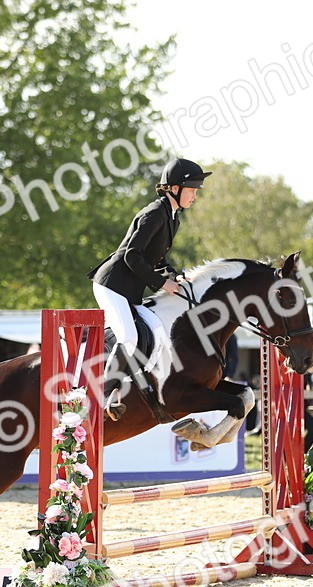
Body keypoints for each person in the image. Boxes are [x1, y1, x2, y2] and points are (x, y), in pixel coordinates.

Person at [88, 156, 210, 420]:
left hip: (130, 290)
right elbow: (131, 255)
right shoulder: (155, 213)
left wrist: (175, 277)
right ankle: (106, 393)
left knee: (157, 331)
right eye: (192, 191)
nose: (195, 196)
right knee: (129, 337)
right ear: (175, 189)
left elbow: (157, 259)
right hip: (112, 285)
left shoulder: (172, 217)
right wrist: (161, 283)